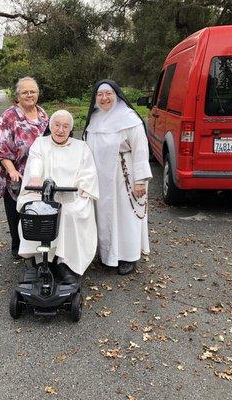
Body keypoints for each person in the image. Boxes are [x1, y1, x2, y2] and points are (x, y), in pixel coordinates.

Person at [17, 110, 99, 284]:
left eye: (65, 126)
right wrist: (35, 177)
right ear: (50, 125)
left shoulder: (81, 147)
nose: (60, 130)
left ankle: (65, 263)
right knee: (33, 209)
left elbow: (88, 172)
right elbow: (36, 162)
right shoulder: (40, 143)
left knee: (69, 213)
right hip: (43, 194)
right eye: (57, 125)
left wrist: (82, 186)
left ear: (71, 129)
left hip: (71, 196)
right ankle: (39, 260)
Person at [83, 80, 152, 275]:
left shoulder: (129, 119)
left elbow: (140, 150)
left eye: (108, 94)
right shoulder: (94, 119)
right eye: (100, 94)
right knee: (103, 217)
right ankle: (107, 255)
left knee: (125, 216)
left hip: (124, 176)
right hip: (99, 178)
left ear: (117, 95)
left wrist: (140, 181)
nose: (104, 98)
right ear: (95, 97)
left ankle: (128, 257)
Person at [0, 77, 49, 259]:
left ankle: (35, 246)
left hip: (37, 175)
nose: (29, 95)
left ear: (38, 94)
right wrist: (11, 170)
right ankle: (18, 248)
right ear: (18, 95)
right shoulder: (9, 116)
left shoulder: (43, 115)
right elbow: (0, 147)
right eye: (25, 92)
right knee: (17, 213)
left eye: (33, 91)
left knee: (36, 211)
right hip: (16, 175)